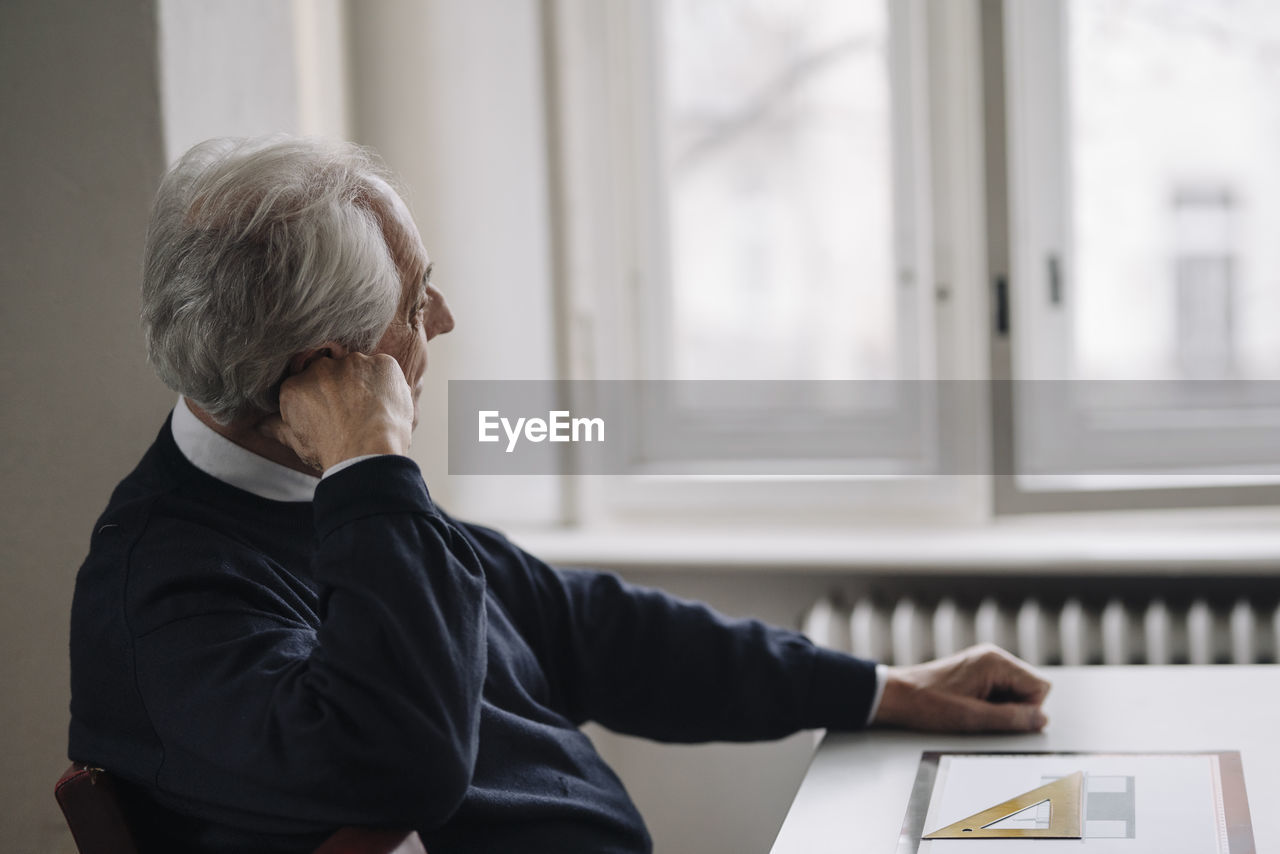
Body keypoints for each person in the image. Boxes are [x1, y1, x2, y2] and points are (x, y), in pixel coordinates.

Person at [69, 136, 1051, 854]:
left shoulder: (321, 496)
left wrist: (880, 686)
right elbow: (403, 761)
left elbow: (587, 628)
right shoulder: (172, 589)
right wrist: (372, 465)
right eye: (417, 303)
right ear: (327, 369)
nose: (441, 320)